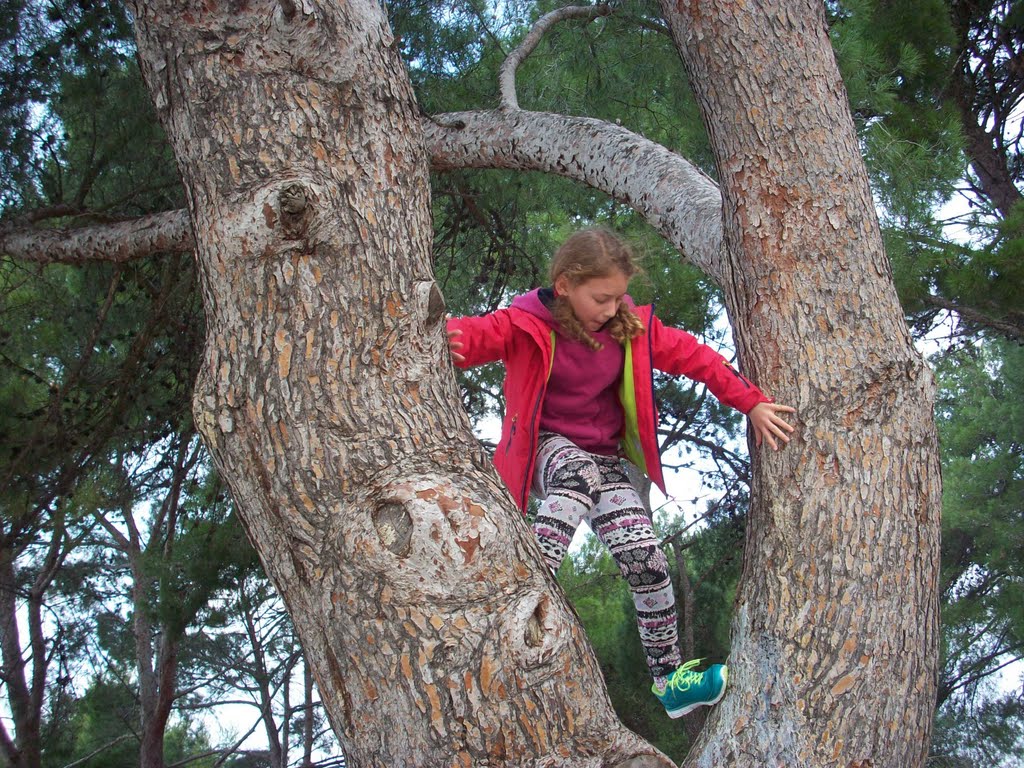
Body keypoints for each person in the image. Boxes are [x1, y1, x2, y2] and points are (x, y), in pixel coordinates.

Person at [446, 227, 795, 719]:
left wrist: (751, 403)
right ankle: (518, 592)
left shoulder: (629, 329)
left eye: (617, 297)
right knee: (576, 475)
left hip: (604, 460)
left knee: (647, 560)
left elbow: (697, 357)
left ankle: (670, 682)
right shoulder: (525, 323)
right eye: (601, 298)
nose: (611, 309)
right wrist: (431, 332)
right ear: (565, 285)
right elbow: (472, 336)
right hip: (547, 451)